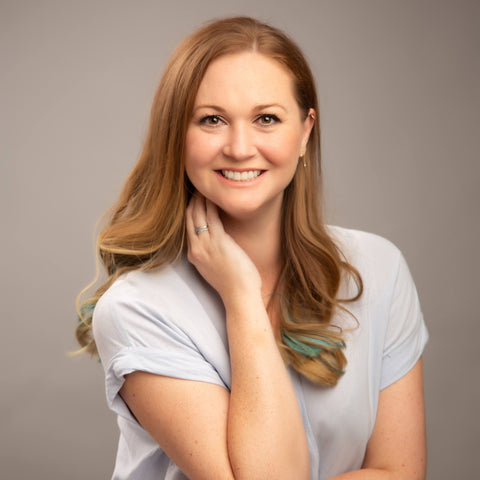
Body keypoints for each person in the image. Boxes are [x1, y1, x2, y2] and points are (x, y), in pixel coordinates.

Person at [76, 16, 428, 480]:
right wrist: (241, 294)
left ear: (304, 132)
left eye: (266, 118)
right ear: (176, 136)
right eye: (212, 120)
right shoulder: (137, 309)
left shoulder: (379, 269)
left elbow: (400, 472)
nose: (241, 148)